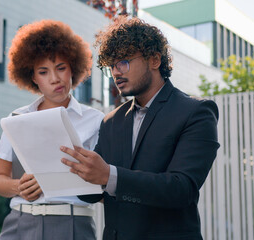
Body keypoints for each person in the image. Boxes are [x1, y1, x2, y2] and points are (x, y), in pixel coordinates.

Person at [61, 16, 220, 239]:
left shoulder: (196, 112)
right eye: (111, 67)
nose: (116, 72)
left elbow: (181, 189)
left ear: (154, 60)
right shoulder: (111, 121)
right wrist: (70, 170)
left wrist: (108, 175)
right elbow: (92, 191)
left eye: (123, 62)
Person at [0, 19, 105, 240]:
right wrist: (19, 187)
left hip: (72, 223)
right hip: (19, 223)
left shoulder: (96, 121)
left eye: (61, 68)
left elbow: (105, 184)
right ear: (33, 77)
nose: (55, 79)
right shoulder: (17, 119)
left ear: (73, 66)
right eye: (43, 72)